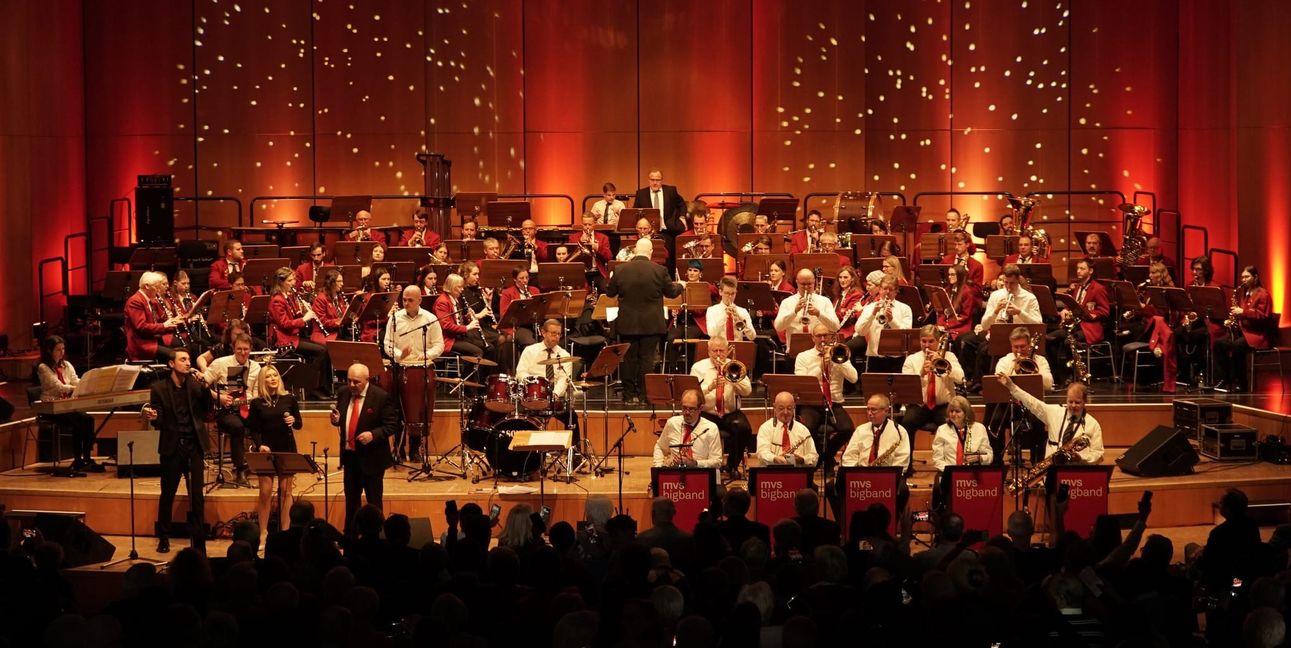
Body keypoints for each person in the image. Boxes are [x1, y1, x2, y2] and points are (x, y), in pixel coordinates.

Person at [141, 348, 211, 554]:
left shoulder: (195, 385)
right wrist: (154, 417)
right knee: (168, 494)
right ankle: (164, 537)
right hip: (172, 446)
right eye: (183, 360)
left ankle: (199, 541)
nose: (188, 363)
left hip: (194, 446)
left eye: (189, 359)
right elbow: (159, 420)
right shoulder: (159, 388)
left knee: (196, 495)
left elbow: (207, 410)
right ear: (172, 364)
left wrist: (206, 387)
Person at [606, 238, 683, 406]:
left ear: (635, 251)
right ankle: (643, 396)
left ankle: (628, 396)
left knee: (628, 360)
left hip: (627, 324)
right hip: (651, 324)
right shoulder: (660, 270)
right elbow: (671, 293)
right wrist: (681, 285)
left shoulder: (620, 270)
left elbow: (610, 292)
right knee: (647, 360)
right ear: (650, 252)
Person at [330, 362, 399, 534]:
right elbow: (342, 418)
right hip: (350, 457)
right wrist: (336, 420)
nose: (352, 385)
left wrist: (373, 435)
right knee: (351, 503)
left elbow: (392, 425)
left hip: (372, 459)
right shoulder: (343, 393)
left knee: (374, 503)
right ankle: (351, 540)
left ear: (367, 380)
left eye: (356, 382)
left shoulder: (381, 397)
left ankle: (377, 539)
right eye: (349, 381)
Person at [385, 286, 445, 460]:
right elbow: (387, 343)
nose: (406, 303)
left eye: (410, 300)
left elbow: (439, 345)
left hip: (423, 368)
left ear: (419, 300)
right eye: (404, 299)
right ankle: (398, 448)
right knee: (398, 409)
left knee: (418, 410)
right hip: (400, 367)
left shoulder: (430, 319)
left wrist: (426, 355)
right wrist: (398, 354)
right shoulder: (395, 319)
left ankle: (415, 447)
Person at [958, 263, 1042, 386]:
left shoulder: (1029, 298)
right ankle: (981, 384)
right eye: (1006, 282)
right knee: (975, 345)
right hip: (999, 336)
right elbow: (985, 325)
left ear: (1018, 280)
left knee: (986, 350)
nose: (1008, 287)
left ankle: (992, 385)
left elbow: (1038, 323)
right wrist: (995, 311)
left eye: (1012, 283)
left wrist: (1020, 312)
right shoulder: (996, 295)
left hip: (1020, 338)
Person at [996, 372, 1105, 465]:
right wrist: (1011, 386)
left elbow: (1099, 454)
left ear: (1085, 402)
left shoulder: (1093, 424)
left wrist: (1081, 458)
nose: (1073, 405)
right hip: (1051, 468)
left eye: (1077, 402)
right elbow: (1032, 402)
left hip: (1078, 470)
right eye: (1070, 401)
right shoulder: (1055, 412)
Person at [246, 365, 302, 542]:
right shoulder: (257, 403)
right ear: (263, 380)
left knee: (286, 491)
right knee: (265, 492)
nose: (272, 378)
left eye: (275, 375)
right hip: (266, 451)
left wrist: (294, 420)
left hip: (286, 448)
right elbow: (252, 429)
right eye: (269, 376)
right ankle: (263, 532)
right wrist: (260, 444)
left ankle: (285, 533)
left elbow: (299, 424)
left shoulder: (289, 399)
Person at [900, 325, 965, 473]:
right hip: (919, 405)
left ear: (938, 341)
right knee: (907, 422)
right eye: (924, 341)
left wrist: (943, 364)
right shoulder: (912, 359)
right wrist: (922, 372)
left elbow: (961, 378)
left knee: (952, 425)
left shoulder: (949, 357)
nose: (927, 345)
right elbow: (906, 386)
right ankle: (906, 466)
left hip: (943, 405)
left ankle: (951, 466)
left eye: (931, 341)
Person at [795, 323, 857, 469]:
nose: (823, 339)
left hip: (834, 402)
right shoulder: (803, 357)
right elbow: (801, 381)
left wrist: (838, 362)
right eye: (819, 336)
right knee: (808, 428)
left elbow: (854, 378)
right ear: (813, 338)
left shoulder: (839, 353)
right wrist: (821, 367)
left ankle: (824, 456)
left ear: (830, 336)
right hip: (811, 403)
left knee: (847, 429)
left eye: (826, 335)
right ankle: (823, 458)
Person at [689, 336, 753, 477]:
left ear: (727, 350)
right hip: (706, 412)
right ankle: (705, 467)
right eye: (715, 351)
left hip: (730, 412)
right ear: (708, 351)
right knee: (700, 429)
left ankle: (732, 466)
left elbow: (747, 391)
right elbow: (692, 395)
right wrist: (710, 387)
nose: (718, 354)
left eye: (721, 351)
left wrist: (733, 378)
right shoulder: (698, 367)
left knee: (744, 428)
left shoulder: (734, 365)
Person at [34, 336, 100, 472]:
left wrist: (86, 385)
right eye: (58, 349)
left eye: (63, 349)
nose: (61, 352)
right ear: (49, 351)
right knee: (78, 420)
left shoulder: (67, 365)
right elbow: (59, 387)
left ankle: (86, 456)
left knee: (88, 419)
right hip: (50, 406)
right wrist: (77, 388)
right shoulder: (43, 367)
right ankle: (77, 459)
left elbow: (75, 380)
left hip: (65, 405)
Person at [202, 333, 260, 485]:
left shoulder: (256, 367)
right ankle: (240, 469)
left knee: (266, 419)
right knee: (237, 426)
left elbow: (257, 393)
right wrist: (218, 397)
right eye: (239, 349)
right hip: (226, 411)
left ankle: (266, 461)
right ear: (233, 348)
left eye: (246, 349)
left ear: (251, 349)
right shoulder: (220, 363)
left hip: (247, 408)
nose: (242, 352)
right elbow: (203, 386)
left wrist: (250, 401)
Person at [266, 266, 329, 398]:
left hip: (293, 336)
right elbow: (284, 324)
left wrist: (305, 311)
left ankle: (319, 387)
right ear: (281, 282)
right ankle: (314, 389)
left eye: (294, 279)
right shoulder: (277, 300)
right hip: (283, 340)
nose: (293, 283)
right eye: (290, 280)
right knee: (321, 351)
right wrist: (305, 318)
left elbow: (295, 316)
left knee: (323, 348)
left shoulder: (289, 297)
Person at [1047, 258, 1109, 387]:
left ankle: (1070, 376)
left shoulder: (1098, 288)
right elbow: (1073, 305)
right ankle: (1058, 375)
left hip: (1089, 328)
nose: (1078, 271)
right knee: (1049, 339)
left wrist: (1092, 314)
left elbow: (1105, 311)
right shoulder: (1078, 287)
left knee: (1067, 342)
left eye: (1082, 269)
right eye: (1078, 269)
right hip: (1075, 326)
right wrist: (1065, 310)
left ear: (1090, 271)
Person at [515, 319, 582, 440]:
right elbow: (520, 373)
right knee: (518, 418)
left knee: (572, 417)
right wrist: (532, 383)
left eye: (558, 334)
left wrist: (555, 394)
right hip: (532, 397)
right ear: (543, 332)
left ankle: (574, 453)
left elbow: (563, 379)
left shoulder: (564, 355)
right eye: (553, 333)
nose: (556, 337)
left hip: (554, 400)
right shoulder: (530, 351)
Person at [1214, 265, 1273, 392]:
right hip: (1244, 332)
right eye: (1242, 277)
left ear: (1255, 277)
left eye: (1247, 277)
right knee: (1219, 344)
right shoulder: (1245, 293)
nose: (1243, 280)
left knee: (1237, 346)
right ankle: (1224, 378)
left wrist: (1243, 311)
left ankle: (1241, 383)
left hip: (1257, 335)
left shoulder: (1263, 294)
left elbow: (1263, 316)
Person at [854, 275, 913, 372]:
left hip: (896, 359)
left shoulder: (905, 309)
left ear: (896, 291)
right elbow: (860, 331)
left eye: (891, 289)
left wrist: (892, 320)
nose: (887, 292)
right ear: (880, 289)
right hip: (875, 358)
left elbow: (906, 336)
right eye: (885, 288)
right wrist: (872, 314)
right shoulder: (870, 308)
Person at [774, 269, 841, 353]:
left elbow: (835, 327)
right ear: (797, 283)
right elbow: (778, 327)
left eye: (809, 284)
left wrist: (819, 314)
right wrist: (794, 311)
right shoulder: (787, 302)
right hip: (795, 351)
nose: (806, 287)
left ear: (814, 282)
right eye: (803, 284)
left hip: (819, 351)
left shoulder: (824, 301)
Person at [652, 389, 722, 469]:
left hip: (700, 474)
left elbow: (717, 462)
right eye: (684, 408)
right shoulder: (672, 423)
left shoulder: (711, 428)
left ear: (700, 408)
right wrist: (658, 467)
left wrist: (695, 463)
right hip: (675, 474)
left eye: (691, 409)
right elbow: (660, 447)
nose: (687, 413)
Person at [125, 271, 183, 362]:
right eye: (156, 287)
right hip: (142, 345)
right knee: (175, 356)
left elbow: (157, 320)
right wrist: (164, 325)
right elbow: (141, 327)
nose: (158, 290)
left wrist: (173, 321)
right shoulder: (135, 301)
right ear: (147, 286)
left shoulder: (148, 300)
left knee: (183, 349)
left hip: (153, 339)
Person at [755, 391, 819, 467]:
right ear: (774, 408)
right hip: (772, 473)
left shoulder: (803, 430)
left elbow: (814, 457)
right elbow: (761, 453)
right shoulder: (765, 428)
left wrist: (802, 459)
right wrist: (775, 458)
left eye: (789, 408)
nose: (785, 412)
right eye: (781, 408)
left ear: (794, 408)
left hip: (797, 474)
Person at [931, 395, 992, 473]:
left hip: (973, 473)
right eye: (951, 411)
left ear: (966, 413)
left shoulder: (979, 428)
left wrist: (979, 458)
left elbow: (989, 456)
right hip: (949, 473)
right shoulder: (942, 430)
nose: (953, 414)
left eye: (957, 411)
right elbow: (937, 459)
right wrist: (951, 472)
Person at [434, 273, 489, 360]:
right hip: (449, 340)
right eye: (459, 287)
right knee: (477, 352)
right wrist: (467, 327)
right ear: (452, 287)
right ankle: (467, 374)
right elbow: (446, 326)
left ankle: (484, 374)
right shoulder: (442, 302)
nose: (462, 289)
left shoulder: (454, 298)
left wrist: (466, 317)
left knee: (489, 348)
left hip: (458, 336)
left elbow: (455, 318)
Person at [499, 267, 543, 350]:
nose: (525, 280)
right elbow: (504, 315)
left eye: (527, 277)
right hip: (519, 327)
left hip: (536, 324)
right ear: (515, 279)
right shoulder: (507, 293)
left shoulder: (535, 290)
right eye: (521, 278)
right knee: (531, 344)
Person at [634, 169, 687, 234]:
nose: (655, 183)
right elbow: (635, 211)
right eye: (652, 180)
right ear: (648, 180)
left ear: (661, 180)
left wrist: (682, 217)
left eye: (657, 180)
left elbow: (682, 204)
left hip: (669, 230)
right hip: (648, 232)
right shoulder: (641, 194)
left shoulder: (670, 191)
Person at [310, 268, 344, 344]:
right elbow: (322, 321)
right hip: (324, 334)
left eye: (342, 281)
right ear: (331, 283)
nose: (342, 284)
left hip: (338, 332)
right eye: (339, 281)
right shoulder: (321, 299)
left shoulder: (340, 297)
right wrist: (338, 321)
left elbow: (344, 313)